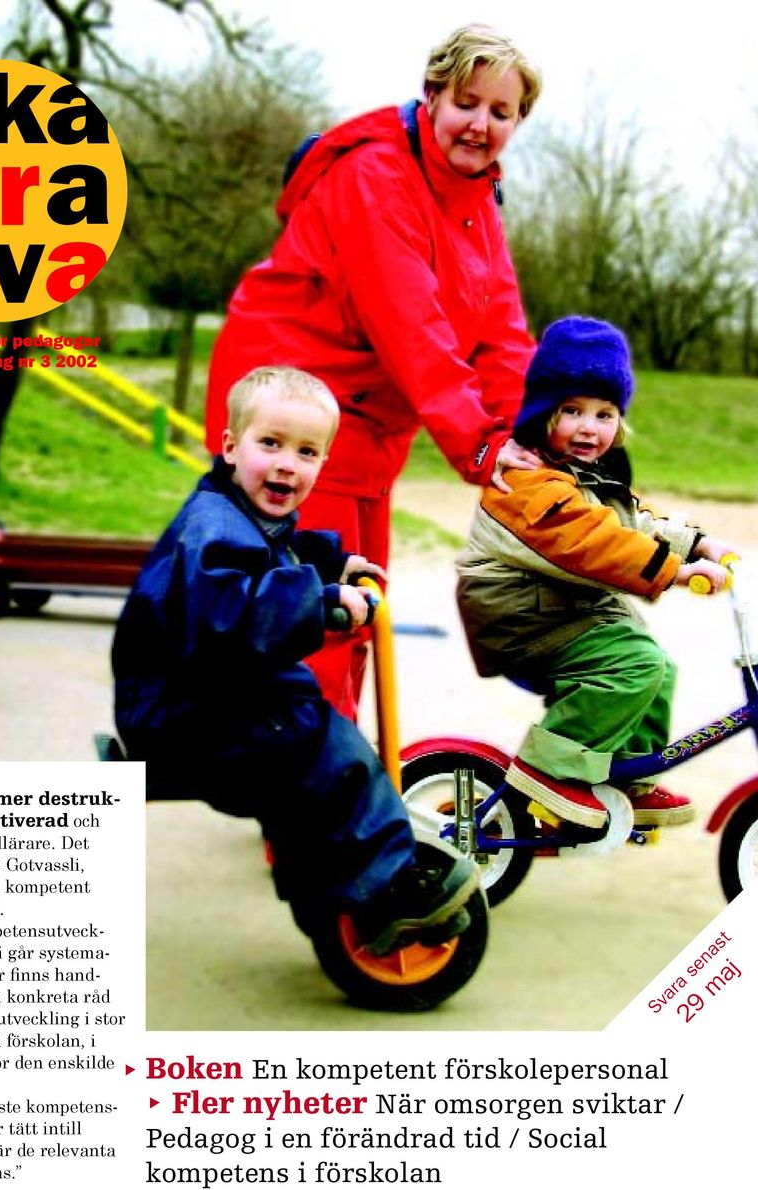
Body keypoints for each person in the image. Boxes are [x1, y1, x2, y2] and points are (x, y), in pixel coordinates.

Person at [205, 24, 544, 720]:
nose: (480, 125)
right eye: (467, 102)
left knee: (363, 609)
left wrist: (533, 435)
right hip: (292, 409)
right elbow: (410, 324)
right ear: (431, 96)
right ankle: (308, 813)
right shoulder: (377, 175)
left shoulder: (476, 202)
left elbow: (502, 331)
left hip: (366, 421)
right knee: (315, 619)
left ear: (517, 122)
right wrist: (481, 445)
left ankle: (321, 782)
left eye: (501, 112)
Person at [113, 366, 479, 954]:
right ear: (231, 447)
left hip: (203, 697)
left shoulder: (237, 512)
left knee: (301, 763)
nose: (287, 463)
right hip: (182, 715)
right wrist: (325, 603)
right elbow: (231, 613)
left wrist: (331, 564)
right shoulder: (212, 528)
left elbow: (277, 548)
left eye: (306, 451)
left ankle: (326, 895)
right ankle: (390, 894)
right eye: (271, 444)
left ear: (322, 462)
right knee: (329, 753)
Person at [455, 316, 738, 829]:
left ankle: (626, 772)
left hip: (558, 606)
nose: (590, 427)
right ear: (544, 415)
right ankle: (550, 769)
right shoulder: (528, 481)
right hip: (516, 614)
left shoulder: (589, 474)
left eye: (604, 414)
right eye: (572, 411)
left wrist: (699, 543)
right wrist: (674, 571)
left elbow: (633, 522)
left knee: (657, 666)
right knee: (632, 665)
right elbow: (592, 541)